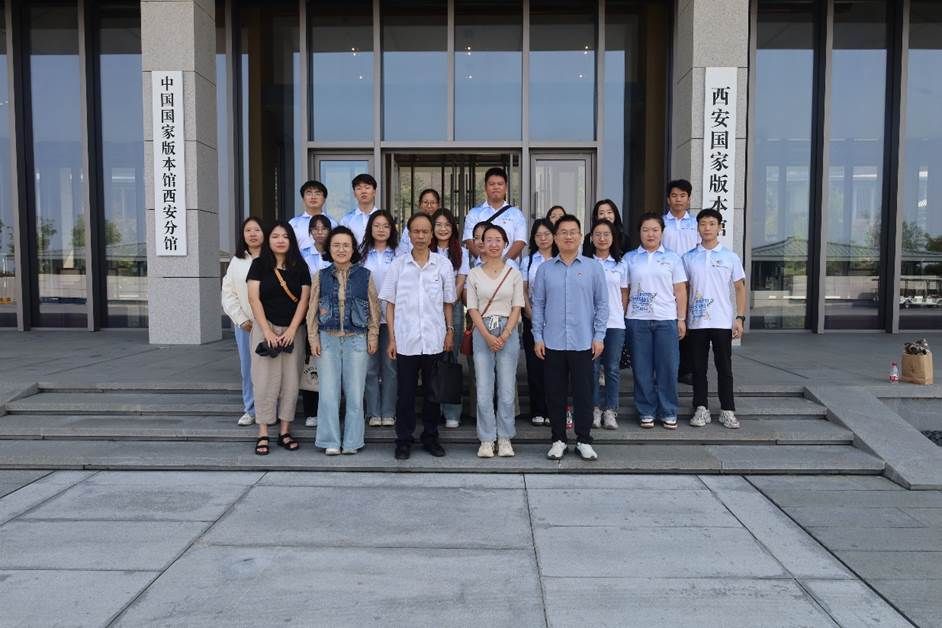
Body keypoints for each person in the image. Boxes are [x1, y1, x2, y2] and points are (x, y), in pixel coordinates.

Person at [380, 213, 457, 460]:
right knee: (405, 394)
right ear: (409, 234)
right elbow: (389, 304)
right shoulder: (398, 265)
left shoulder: (443, 265)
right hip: (406, 341)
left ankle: (430, 436)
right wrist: (392, 339)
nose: (421, 236)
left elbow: (448, 302)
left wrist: (450, 331)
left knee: (434, 394)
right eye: (416, 231)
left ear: (431, 234)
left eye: (425, 231)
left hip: (434, 340)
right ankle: (403, 439)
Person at [532, 215, 607, 461]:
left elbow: (602, 304)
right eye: (563, 232)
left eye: (573, 232)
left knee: (584, 393)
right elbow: (538, 305)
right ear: (555, 237)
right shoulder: (545, 269)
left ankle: (584, 439)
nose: (568, 236)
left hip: (584, 341)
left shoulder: (593, 268)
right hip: (552, 342)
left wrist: (599, 336)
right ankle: (558, 439)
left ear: (580, 236)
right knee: (555, 393)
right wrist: (537, 337)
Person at [307, 226, 380, 455]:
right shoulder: (320, 276)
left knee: (355, 394)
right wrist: (313, 338)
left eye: (346, 245)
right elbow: (312, 310)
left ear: (353, 248)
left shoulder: (365, 275)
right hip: (327, 339)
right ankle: (330, 440)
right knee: (328, 394)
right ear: (329, 248)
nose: (341, 249)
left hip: (356, 340)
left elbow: (374, 309)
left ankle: (352, 442)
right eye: (336, 245)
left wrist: (373, 336)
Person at [246, 221, 310, 455]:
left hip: (294, 330)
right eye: (275, 236)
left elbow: (304, 300)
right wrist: (267, 331)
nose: (280, 240)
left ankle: (285, 431)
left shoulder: (300, 266)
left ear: (291, 240)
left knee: (291, 383)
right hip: (265, 328)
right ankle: (263, 432)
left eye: (285, 236)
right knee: (263, 381)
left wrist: (292, 330)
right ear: (269, 240)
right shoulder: (259, 265)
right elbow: (254, 299)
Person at [683, 208, 747, 429]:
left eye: (712, 223)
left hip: (721, 321)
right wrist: (682, 318)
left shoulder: (730, 256)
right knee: (698, 368)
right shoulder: (688, 257)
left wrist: (739, 317)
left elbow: (739, 288)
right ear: (698, 228)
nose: (707, 228)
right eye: (703, 224)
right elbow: (684, 289)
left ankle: (727, 409)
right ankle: (701, 408)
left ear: (720, 227)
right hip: (696, 321)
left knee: (724, 367)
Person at [624, 212, 688, 430]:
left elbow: (680, 290)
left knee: (668, 368)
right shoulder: (630, 258)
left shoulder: (673, 258)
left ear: (662, 232)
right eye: (645, 230)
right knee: (641, 369)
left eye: (655, 230)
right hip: (637, 320)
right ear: (639, 233)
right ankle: (646, 411)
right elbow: (625, 291)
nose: (650, 234)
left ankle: (668, 411)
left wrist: (681, 319)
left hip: (666, 319)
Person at [466, 224, 525, 458]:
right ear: (481, 243)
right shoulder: (474, 274)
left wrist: (505, 334)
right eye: (488, 239)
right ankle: (487, 439)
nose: (493, 244)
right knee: (483, 388)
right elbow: (472, 308)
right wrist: (488, 336)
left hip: (508, 330)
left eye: (498, 239)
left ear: (505, 243)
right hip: (482, 330)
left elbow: (517, 306)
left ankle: (505, 437)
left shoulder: (514, 273)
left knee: (507, 388)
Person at [360, 210, 403, 428]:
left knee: (390, 367)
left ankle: (388, 412)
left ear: (392, 229)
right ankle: (373, 412)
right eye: (376, 225)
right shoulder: (361, 253)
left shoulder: (399, 253)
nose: (381, 229)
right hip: (367, 319)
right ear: (370, 228)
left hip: (393, 318)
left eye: (386, 226)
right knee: (369, 367)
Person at [221, 216, 264, 426]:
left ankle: (270, 408)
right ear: (243, 235)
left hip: (271, 325)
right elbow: (228, 293)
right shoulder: (237, 261)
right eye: (248, 230)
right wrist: (241, 320)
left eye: (257, 230)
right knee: (248, 369)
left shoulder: (273, 258)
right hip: (246, 326)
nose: (253, 234)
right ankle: (250, 408)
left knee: (271, 369)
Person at [431, 208, 470, 429]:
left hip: (452, 307)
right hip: (427, 309)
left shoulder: (461, 252)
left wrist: (447, 301)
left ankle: (452, 411)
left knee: (451, 356)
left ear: (453, 228)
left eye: (447, 225)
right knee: (431, 358)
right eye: (438, 224)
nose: (443, 229)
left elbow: (461, 281)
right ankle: (433, 407)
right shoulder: (426, 250)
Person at [589, 219, 629, 431]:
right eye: (598, 234)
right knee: (593, 368)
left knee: (612, 368)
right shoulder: (585, 263)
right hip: (590, 324)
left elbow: (624, 294)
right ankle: (595, 409)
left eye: (606, 234)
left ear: (613, 238)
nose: (602, 238)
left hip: (614, 323)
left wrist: (620, 315)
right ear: (591, 238)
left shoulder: (621, 264)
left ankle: (611, 410)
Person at [663, 178, 699, 385]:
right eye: (674, 195)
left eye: (683, 196)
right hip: (666, 282)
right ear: (668, 199)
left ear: (689, 199)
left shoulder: (696, 224)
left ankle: (686, 369)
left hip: (691, 281)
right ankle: (667, 368)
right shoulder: (661, 223)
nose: (678, 199)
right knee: (669, 323)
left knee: (689, 323)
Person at [521, 218, 557, 426]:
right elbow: (523, 290)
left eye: (546, 234)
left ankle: (553, 409)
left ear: (553, 236)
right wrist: (531, 313)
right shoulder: (528, 261)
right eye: (538, 235)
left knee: (555, 367)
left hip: (556, 322)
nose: (543, 238)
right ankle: (537, 409)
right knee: (534, 366)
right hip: (532, 319)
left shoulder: (561, 259)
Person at [299, 214, 334, 428]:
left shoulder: (336, 251)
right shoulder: (302, 254)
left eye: (324, 228)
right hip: (309, 313)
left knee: (330, 363)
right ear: (310, 231)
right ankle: (311, 411)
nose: (320, 232)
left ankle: (329, 408)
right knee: (311, 360)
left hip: (333, 315)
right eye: (315, 228)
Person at [461, 167, 527, 267]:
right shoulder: (474, 213)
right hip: (481, 269)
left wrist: (502, 263)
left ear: (506, 187)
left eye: (500, 184)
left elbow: (520, 242)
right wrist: (486, 263)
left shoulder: (516, 214)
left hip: (509, 269)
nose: (496, 187)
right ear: (485, 187)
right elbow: (469, 241)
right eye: (492, 184)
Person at [289, 180, 337, 252]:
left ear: (324, 199)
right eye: (309, 193)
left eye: (317, 194)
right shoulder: (293, 223)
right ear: (303, 198)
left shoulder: (333, 223)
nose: (313, 197)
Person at [340, 173, 379, 244]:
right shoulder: (346, 220)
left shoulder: (382, 218)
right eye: (359, 188)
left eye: (367, 188)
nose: (363, 191)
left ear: (374, 192)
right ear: (354, 194)